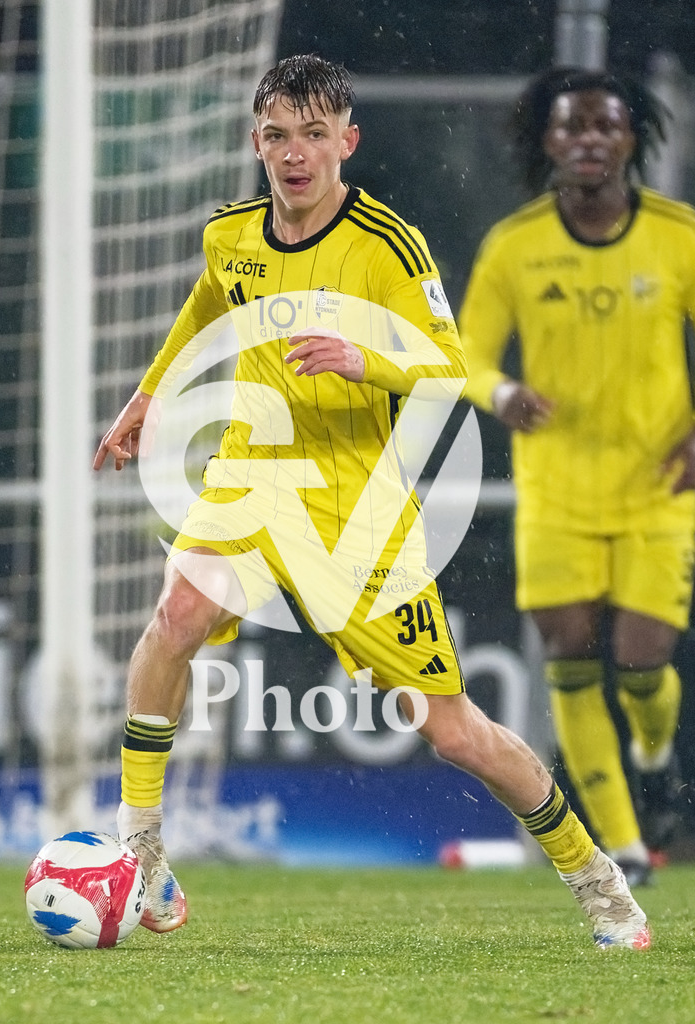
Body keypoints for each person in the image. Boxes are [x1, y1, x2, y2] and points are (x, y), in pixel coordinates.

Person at [94, 54, 650, 950]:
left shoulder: (388, 245)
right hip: (252, 472)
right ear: (255, 142)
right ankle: (142, 842)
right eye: (278, 135)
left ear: (347, 142)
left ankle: (595, 876)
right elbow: (210, 303)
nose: (295, 154)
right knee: (178, 612)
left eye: (314, 135)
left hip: (357, 508)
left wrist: (365, 359)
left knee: (452, 731)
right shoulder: (229, 235)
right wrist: (150, 393)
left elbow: (447, 363)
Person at [460, 67, 695, 888]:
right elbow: (466, 353)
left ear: (632, 139)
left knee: (642, 661)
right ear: (548, 141)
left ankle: (654, 750)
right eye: (572, 126)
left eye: (606, 126)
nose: (589, 139)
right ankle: (624, 847)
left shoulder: (676, 235)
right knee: (568, 651)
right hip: (556, 490)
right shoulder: (516, 245)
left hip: (658, 488)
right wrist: (502, 392)